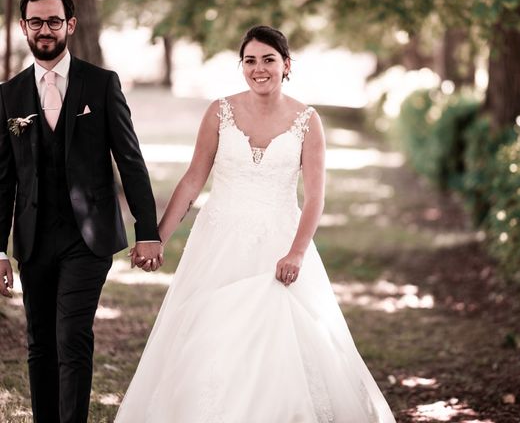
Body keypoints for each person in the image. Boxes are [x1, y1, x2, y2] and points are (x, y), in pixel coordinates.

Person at [115, 25, 396, 422]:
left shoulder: (307, 120)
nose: (259, 68)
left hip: (279, 244)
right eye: (250, 60)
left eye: (269, 60)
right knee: (209, 337)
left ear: (286, 65)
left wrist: (296, 252)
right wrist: (156, 237)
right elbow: (194, 179)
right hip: (217, 243)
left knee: (281, 343)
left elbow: (315, 197)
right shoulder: (220, 111)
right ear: (241, 65)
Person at [0, 0, 162, 423]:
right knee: (39, 343)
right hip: (33, 239)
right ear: (23, 27)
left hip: (87, 238)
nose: (45, 29)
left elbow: (130, 159)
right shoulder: (8, 95)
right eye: (36, 22)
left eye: (54, 21)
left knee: (71, 335)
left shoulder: (101, 83)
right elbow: (2, 181)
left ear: (70, 25)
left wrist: (147, 230)